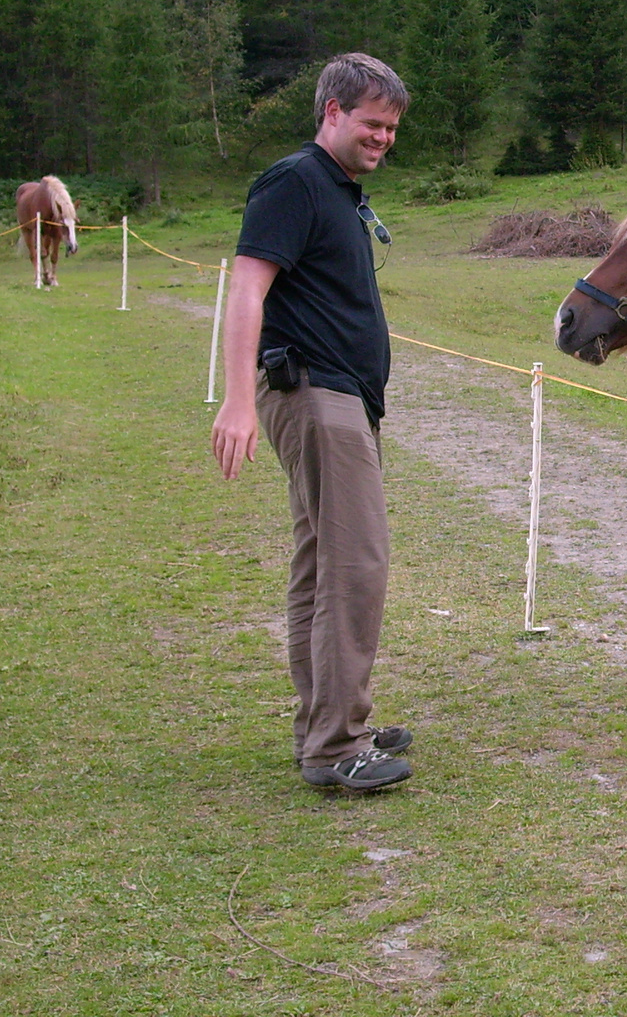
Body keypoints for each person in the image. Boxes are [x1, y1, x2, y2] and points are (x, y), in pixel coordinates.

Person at [211, 53, 414, 791]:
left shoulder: (337, 189)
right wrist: (236, 399)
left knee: (322, 563)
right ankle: (337, 745)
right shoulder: (294, 182)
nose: (383, 138)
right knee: (356, 563)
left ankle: (326, 722)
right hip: (314, 396)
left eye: (391, 128)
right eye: (371, 123)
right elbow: (246, 291)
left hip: (339, 398)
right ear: (331, 112)